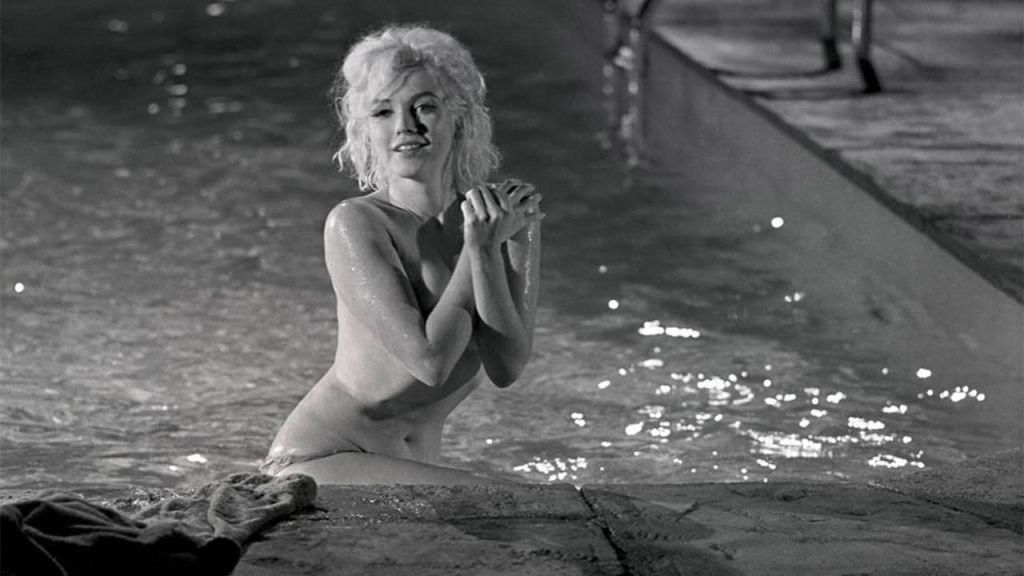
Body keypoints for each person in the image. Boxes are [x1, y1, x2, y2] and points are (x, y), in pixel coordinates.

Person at [261, 25, 543, 484]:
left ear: (459, 117)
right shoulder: (356, 223)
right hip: (323, 459)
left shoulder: (496, 220)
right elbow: (430, 363)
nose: (405, 126)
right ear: (365, 130)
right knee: (525, 503)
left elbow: (507, 366)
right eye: (383, 111)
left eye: (424, 106)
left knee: (537, 507)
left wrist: (493, 244)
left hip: (411, 470)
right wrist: (477, 247)